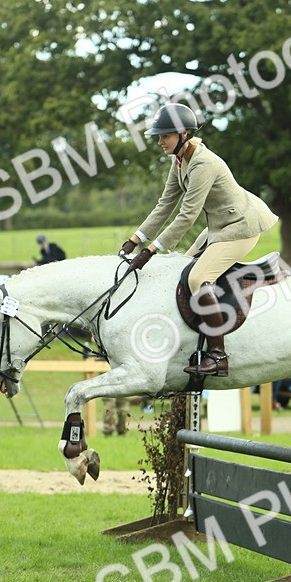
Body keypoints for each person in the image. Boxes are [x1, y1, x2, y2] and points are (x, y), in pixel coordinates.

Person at [117, 103, 278, 377]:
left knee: (196, 279)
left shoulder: (203, 163)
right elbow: (165, 204)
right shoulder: (180, 159)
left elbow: (187, 216)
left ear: (182, 134)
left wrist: (152, 250)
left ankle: (218, 355)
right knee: (182, 266)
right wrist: (136, 239)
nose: (159, 142)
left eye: (164, 136)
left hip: (242, 227)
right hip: (219, 226)